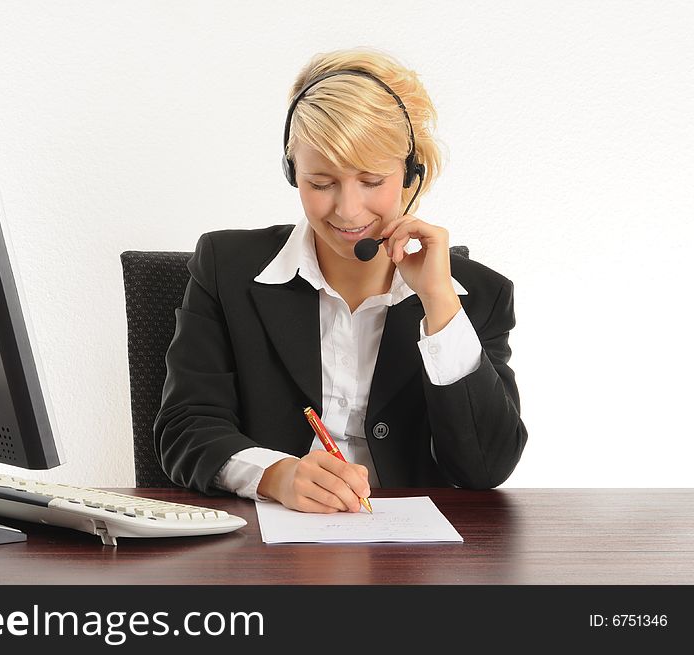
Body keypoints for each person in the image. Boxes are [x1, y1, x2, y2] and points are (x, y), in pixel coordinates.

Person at [155, 48, 526, 513]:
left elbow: (486, 468)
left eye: (371, 181)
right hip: (264, 548)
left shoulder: (479, 296)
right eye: (321, 182)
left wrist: (439, 303)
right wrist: (274, 475)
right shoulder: (224, 266)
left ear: (411, 176)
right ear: (293, 173)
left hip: (412, 561)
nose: (348, 210)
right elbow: (185, 427)